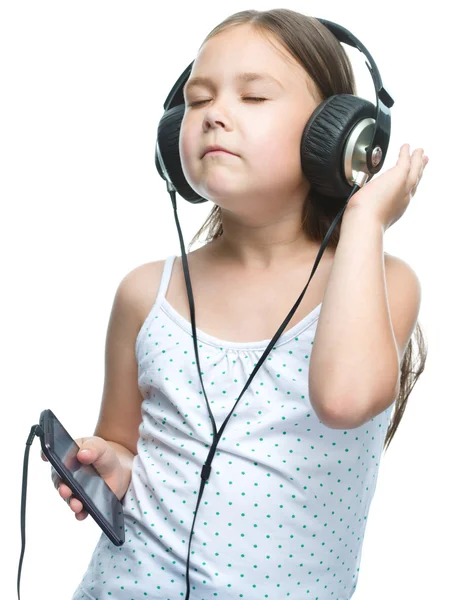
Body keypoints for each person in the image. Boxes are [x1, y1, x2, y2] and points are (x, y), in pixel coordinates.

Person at [41, 8, 428, 599]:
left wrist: (365, 218)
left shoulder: (380, 282)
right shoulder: (147, 293)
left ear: (338, 134)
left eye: (252, 97)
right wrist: (116, 468)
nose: (215, 114)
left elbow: (345, 397)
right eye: (198, 100)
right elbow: (123, 445)